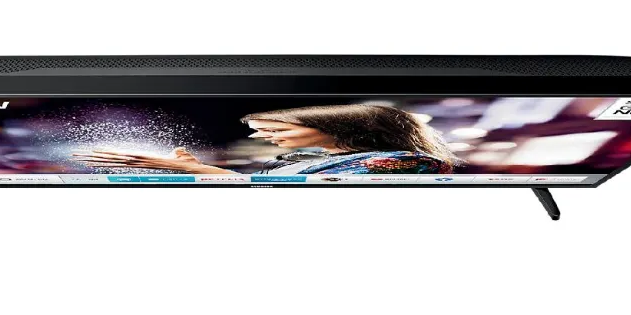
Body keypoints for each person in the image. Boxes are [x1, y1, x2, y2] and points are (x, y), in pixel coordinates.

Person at [74, 103, 457, 176]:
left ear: (341, 127)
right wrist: (198, 168)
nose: (264, 137)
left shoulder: (407, 162)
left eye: (275, 129)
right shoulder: (303, 159)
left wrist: (204, 172)